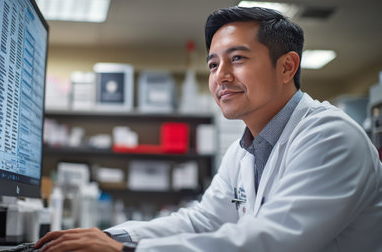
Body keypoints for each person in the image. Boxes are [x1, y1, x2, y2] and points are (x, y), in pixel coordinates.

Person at [34, 6, 382, 252]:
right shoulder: (244, 150)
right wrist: (109, 236)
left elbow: (275, 241)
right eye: (213, 64)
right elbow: (202, 222)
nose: (221, 76)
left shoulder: (330, 136)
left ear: (287, 66)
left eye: (238, 58)